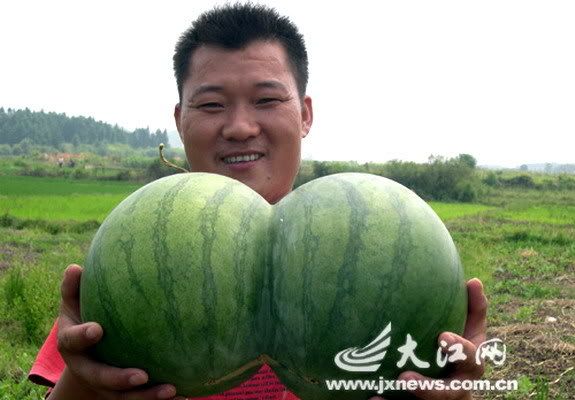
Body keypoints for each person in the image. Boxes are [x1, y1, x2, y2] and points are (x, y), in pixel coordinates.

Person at [29, 4, 487, 400]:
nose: (241, 127)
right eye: (211, 105)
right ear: (179, 119)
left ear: (304, 114)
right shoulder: (133, 264)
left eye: (267, 99)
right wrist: (88, 384)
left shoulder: (383, 257)